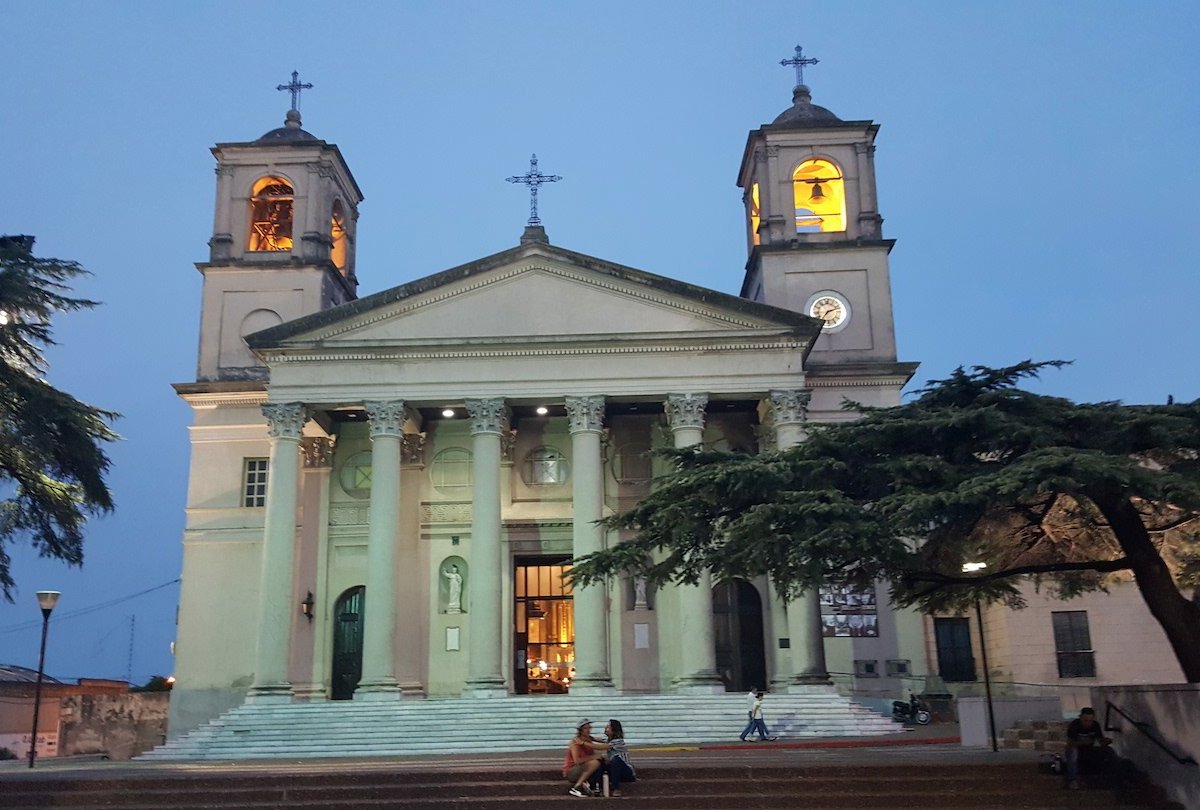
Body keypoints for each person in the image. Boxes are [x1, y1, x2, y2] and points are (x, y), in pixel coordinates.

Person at [1064, 707, 1113, 789]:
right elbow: (1070, 743)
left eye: (1090, 721)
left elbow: (1099, 739)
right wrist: (1084, 742)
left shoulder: (1095, 725)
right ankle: (1073, 779)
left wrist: (1105, 741)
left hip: (1090, 750)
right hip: (1077, 749)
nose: (1088, 723)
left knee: (1109, 751)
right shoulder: (1074, 725)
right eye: (1085, 720)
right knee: (1072, 752)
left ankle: (1110, 777)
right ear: (1080, 717)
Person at [562, 718, 609, 797]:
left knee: (601, 761)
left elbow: (602, 742)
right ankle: (577, 787)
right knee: (595, 762)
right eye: (585, 728)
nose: (588, 730)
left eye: (589, 728)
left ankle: (595, 786)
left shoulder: (589, 739)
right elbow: (577, 761)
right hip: (572, 771)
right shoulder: (575, 742)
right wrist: (593, 757)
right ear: (580, 730)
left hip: (584, 768)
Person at [604, 718, 637, 797]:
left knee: (615, 760)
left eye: (608, 727)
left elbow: (602, 746)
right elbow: (599, 740)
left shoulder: (618, 742)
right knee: (599, 762)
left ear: (614, 730)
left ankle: (616, 789)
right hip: (616, 772)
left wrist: (584, 742)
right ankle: (595, 787)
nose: (605, 728)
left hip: (627, 773)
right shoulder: (609, 740)